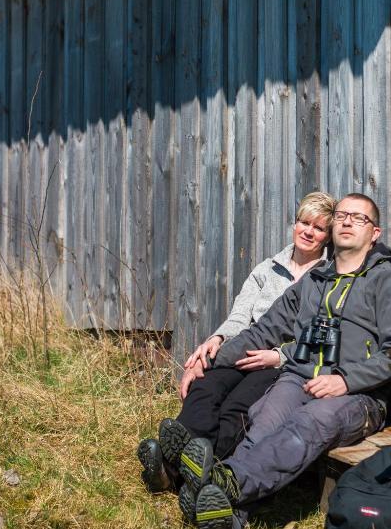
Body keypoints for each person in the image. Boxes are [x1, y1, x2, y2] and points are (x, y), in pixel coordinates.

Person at [166, 193, 391, 529]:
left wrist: (345, 380)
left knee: (308, 424)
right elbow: (262, 331)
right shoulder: (313, 282)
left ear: (374, 232)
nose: (346, 221)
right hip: (298, 378)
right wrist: (207, 360)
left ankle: (224, 484)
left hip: (359, 396)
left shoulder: (387, 281)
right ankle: (227, 518)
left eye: (358, 218)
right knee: (263, 422)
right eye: (342, 215)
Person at [137, 192, 336, 493]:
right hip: (246, 344)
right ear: (294, 224)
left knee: (240, 404)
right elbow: (240, 317)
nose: (308, 231)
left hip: (281, 364)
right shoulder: (267, 270)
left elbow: (320, 338)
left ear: (327, 237)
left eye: (318, 228)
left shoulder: (328, 279)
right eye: (303, 222)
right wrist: (217, 340)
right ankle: (180, 464)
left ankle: (180, 468)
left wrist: (279, 357)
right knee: (206, 383)